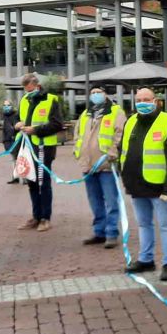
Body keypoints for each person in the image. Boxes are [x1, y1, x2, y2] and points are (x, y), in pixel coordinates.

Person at [118, 87, 167, 281]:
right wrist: (124, 176)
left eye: (146, 99)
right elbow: (124, 150)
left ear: (156, 101)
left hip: (159, 186)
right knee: (144, 224)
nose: (142, 103)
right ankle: (146, 259)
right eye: (139, 100)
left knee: (165, 224)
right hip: (136, 184)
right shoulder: (131, 121)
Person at [74, 87, 126, 247]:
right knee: (95, 201)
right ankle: (99, 232)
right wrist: (77, 152)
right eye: (93, 92)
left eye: (99, 92)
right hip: (88, 166)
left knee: (111, 201)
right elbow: (77, 135)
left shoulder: (116, 112)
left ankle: (111, 233)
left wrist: (112, 153)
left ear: (105, 94)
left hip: (107, 165)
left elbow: (120, 134)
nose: (95, 95)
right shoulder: (85, 114)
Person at [15, 73, 63, 232]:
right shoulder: (24, 100)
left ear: (37, 85)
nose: (28, 92)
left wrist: (35, 130)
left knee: (44, 183)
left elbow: (57, 125)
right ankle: (36, 216)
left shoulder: (51, 100)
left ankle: (45, 218)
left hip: (44, 147)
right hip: (27, 146)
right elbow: (20, 118)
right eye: (26, 90)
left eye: (30, 89)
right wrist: (18, 124)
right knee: (31, 181)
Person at [1, 99, 20, 184]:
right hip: (8, 140)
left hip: (15, 140)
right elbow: (5, 129)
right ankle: (15, 177)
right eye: (4, 105)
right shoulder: (5, 116)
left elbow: (17, 127)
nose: (6, 107)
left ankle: (25, 177)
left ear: (12, 106)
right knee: (13, 159)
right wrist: (4, 140)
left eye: (8, 105)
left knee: (19, 158)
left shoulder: (15, 115)